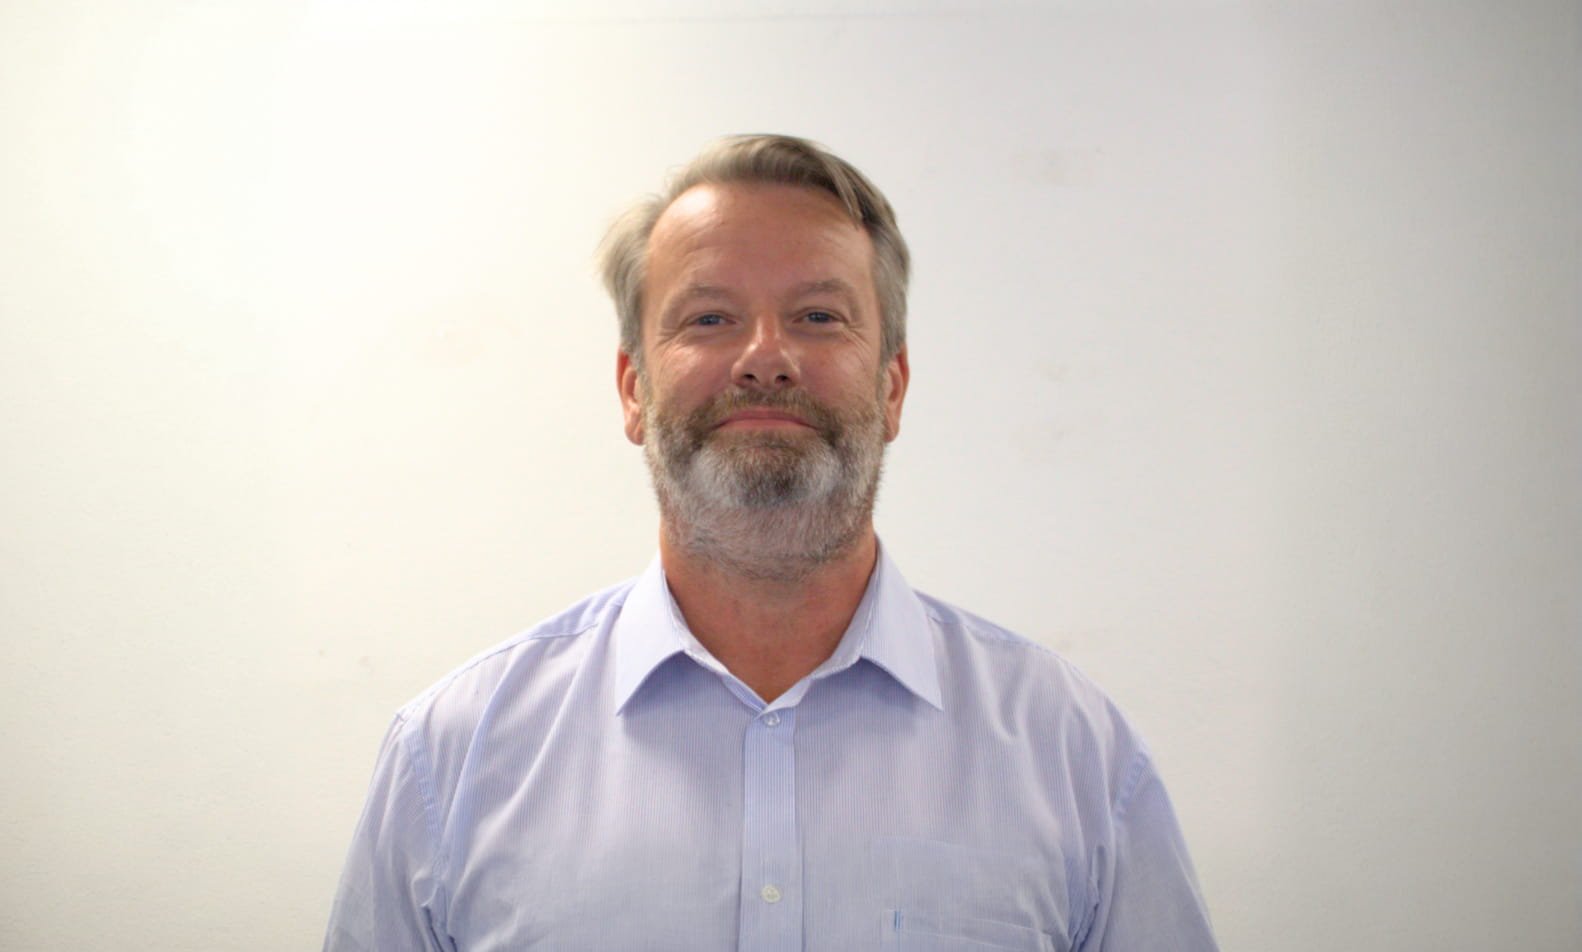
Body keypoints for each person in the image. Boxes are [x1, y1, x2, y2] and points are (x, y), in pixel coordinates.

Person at [323, 134, 1218, 951]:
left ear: (893, 387)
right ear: (633, 390)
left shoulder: (1071, 754)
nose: (765, 356)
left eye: (820, 317)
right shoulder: (450, 760)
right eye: (708, 318)